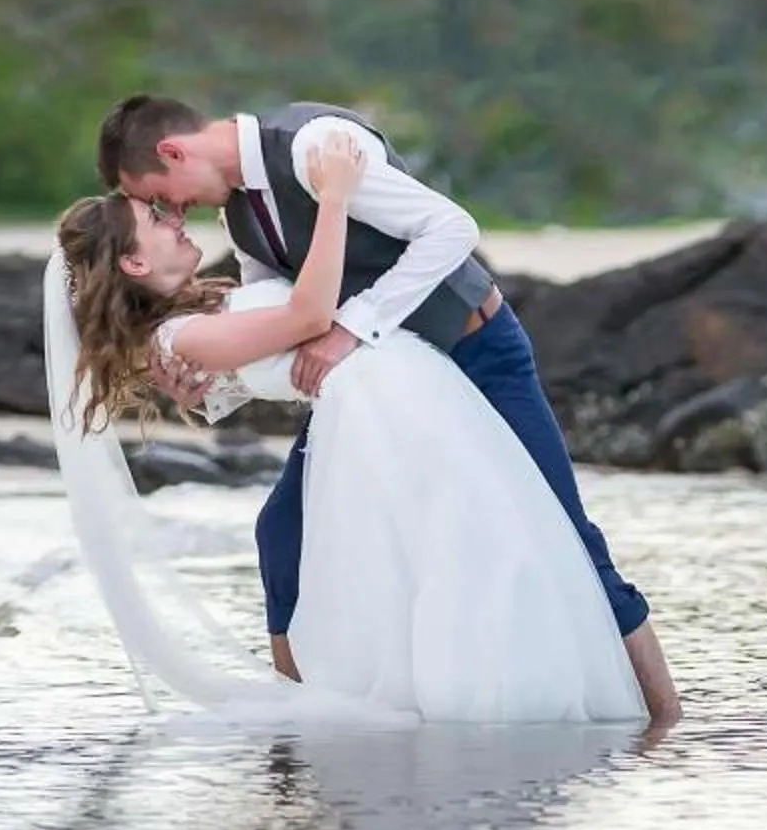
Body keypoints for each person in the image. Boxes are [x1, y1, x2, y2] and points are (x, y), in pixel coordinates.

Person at [96, 94, 682, 724]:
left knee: (570, 535)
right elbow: (279, 311)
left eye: (163, 194)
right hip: (384, 386)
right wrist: (212, 381)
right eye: (159, 210)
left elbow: (452, 229)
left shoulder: (313, 146)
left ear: (173, 151)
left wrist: (353, 325)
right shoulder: (240, 216)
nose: (173, 211)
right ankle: (298, 724)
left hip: (472, 351)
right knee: (282, 536)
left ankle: (665, 724)